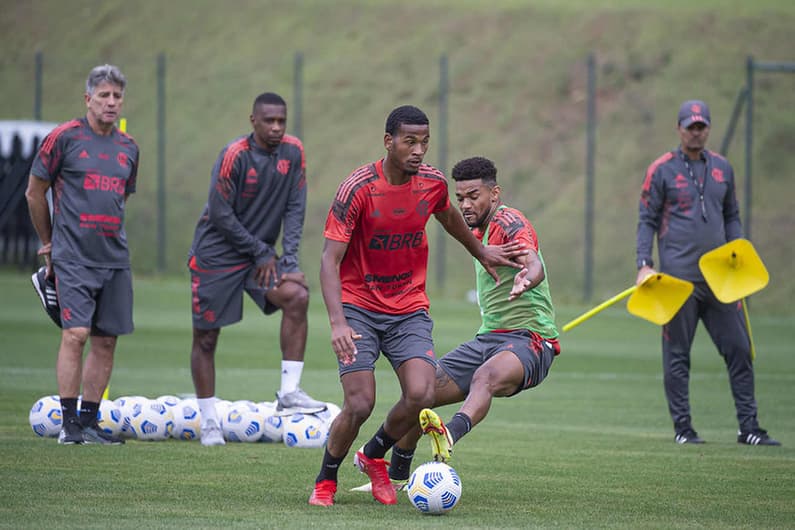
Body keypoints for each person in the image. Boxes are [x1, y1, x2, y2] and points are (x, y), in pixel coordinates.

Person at [308, 107, 527, 507]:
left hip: (408, 308)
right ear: (388, 141)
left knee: (421, 393)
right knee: (360, 403)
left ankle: (374, 458)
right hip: (358, 307)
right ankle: (326, 479)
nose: (419, 150)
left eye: (425, 141)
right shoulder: (357, 188)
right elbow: (328, 260)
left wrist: (482, 252)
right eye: (410, 141)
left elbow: (450, 220)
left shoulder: (432, 183)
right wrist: (338, 323)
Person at [353, 156, 561, 491]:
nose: (465, 204)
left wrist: (528, 279)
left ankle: (449, 432)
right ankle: (396, 476)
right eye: (460, 197)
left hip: (530, 340)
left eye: (473, 196)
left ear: (495, 194)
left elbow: (532, 261)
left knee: (486, 376)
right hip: (488, 339)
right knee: (420, 393)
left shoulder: (509, 222)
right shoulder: (475, 232)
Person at [636, 99, 779, 446]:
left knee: (740, 350)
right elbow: (647, 219)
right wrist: (644, 264)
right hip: (678, 282)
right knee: (677, 357)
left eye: (701, 126)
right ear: (679, 129)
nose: (696, 132)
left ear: (708, 129)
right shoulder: (661, 169)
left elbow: (732, 214)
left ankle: (749, 428)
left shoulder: (722, 168)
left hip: (721, 281)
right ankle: (684, 429)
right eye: (690, 126)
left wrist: (739, 249)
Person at [188, 92, 324, 447]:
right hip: (217, 254)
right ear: (254, 121)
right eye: (269, 121)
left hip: (258, 257)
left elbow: (296, 207)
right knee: (206, 337)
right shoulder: (235, 155)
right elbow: (219, 213)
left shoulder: (294, 152)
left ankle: (289, 394)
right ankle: (209, 422)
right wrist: (262, 251)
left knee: (296, 297)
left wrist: (288, 260)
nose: (277, 127)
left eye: (282, 120)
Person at [25, 64, 139, 445]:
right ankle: (68, 424)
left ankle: (88, 424)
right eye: (103, 95)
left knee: (106, 340)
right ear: (87, 99)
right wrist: (49, 243)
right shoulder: (64, 138)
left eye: (117, 96)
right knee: (76, 334)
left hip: (114, 258)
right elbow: (34, 192)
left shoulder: (128, 148)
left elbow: (118, 199)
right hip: (72, 256)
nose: (111, 103)